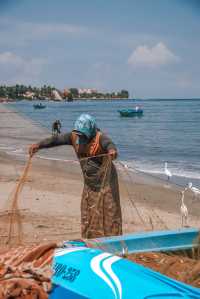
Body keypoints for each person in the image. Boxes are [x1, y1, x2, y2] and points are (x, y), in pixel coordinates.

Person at [29, 114, 122, 239]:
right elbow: (56, 140)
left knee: (110, 213)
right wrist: (38, 145)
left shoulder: (100, 138)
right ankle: (92, 241)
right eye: (79, 134)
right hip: (90, 184)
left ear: (91, 130)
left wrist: (112, 152)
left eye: (83, 135)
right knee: (88, 213)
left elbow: (110, 145)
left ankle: (114, 243)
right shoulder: (74, 137)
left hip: (107, 184)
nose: (80, 137)